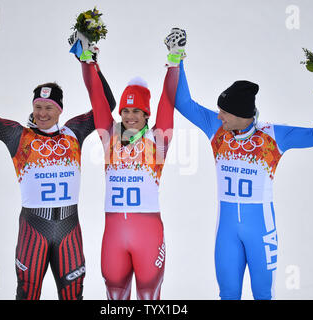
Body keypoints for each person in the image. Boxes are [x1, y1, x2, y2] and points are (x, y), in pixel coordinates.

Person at [174, 32, 313, 300]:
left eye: (224, 112)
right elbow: (182, 103)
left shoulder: (273, 137)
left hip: (261, 231)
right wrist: (176, 58)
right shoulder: (217, 129)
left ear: (242, 115)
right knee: (228, 293)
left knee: (263, 294)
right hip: (227, 232)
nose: (218, 116)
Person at [0, 49, 115, 299]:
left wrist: (90, 62)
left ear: (60, 110)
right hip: (33, 229)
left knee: (73, 295)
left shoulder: (74, 132)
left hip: (69, 229)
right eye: (37, 106)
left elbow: (107, 105)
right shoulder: (18, 136)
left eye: (49, 107)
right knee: (27, 294)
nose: (42, 113)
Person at [69, 28, 184, 300]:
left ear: (146, 115)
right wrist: (87, 60)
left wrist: (174, 61)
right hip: (114, 237)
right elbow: (96, 97)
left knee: (149, 297)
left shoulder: (159, 140)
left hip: (148, 235)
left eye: (137, 111)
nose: (130, 116)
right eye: (125, 111)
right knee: (115, 299)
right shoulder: (109, 137)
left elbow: (168, 100)